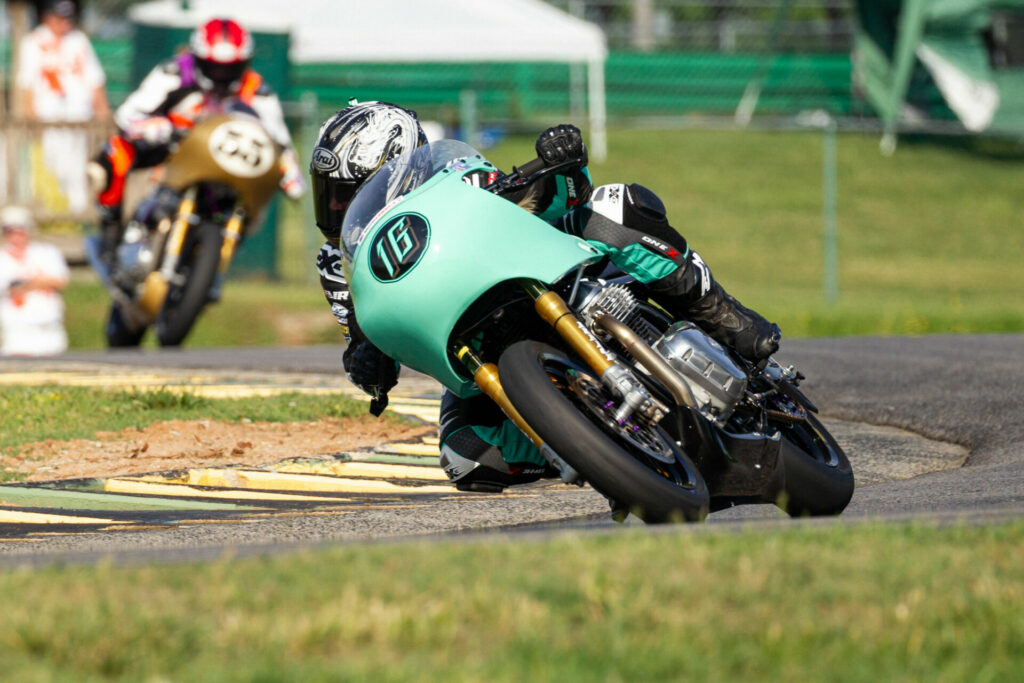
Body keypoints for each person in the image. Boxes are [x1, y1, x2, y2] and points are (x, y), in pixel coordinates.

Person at [310, 102, 781, 492]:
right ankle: (596, 447)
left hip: (566, 279)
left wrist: (563, 158)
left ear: (392, 170)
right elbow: (367, 344)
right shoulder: (342, 265)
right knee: (467, 457)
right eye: (328, 195)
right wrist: (367, 363)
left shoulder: (458, 176)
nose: (335, 208)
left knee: (614, 207)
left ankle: (725, 318)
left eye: (344, 194)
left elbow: (564, 198)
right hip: (479, 346)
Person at [88, 17, 305, 263]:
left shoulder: (256, 90)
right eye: (214, 66)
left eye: (230, 67)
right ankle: (111, 233)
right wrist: (157, 126)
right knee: (114, 153)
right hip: (171, 147)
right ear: (199, 59)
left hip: (226, 161)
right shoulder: (175, 72)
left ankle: (225, 248)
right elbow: (128, 114)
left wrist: (290, 175)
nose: (221, 75)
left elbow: (280, 142)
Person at [15, 0, 110, 215]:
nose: (63, 23)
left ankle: (76, 213)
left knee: (77, 165)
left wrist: (101, 109)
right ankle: (52, 214)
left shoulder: (78, 40)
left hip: (78, 115)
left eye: (67, 18)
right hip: (48, 115)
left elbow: (95, 79)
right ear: (47, 17)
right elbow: (27, 82)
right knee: (51, 163)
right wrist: (30, 114)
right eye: (59, 18)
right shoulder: (33, 41)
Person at [0, 206, 70, 356]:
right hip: (18, 335)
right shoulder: (2, 259)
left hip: (50, 332)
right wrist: (39, 282)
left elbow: (61, 280)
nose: (16, 237)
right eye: (11, 232)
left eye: (20, 231)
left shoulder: (47, 253)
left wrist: (26, 284)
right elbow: (10, 288)